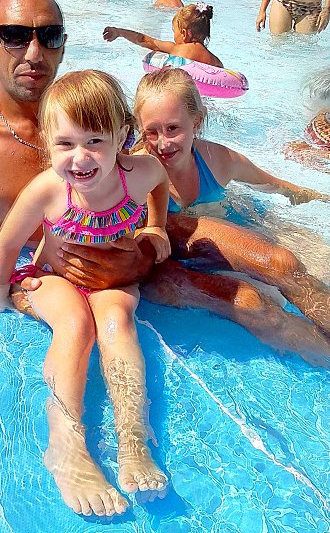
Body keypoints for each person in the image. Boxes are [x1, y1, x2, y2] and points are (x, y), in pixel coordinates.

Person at [0, 0, 330, 415]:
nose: (33, 52)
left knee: (281, 263)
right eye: (14, 35)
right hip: (93, 269)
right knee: (250, 303)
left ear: (63, 44)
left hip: (147, 229)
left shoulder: (87, 105)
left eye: (48, 36)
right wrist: (19, 288)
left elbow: (145, 158)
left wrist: (153, 230)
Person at [0, 69, 170, 515]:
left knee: (117, 321)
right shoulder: (48, 190)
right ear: (47, 141)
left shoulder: (138, 173)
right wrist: (1, 294)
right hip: (54, 276)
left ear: (121, 136)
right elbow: (7, 244)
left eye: (95, 141)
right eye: (65, 143)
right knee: (75, 326)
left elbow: (160, 183)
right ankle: (65, 442)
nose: (80, 158)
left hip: (112, 281)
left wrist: (156, 225)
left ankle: (133, 440)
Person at [131, 67, 330, 363]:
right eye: (152, 131)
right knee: (252, 302)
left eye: (173, 128)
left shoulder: (217, 160)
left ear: (196, 122)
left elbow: (274, 184)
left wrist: (318, 197)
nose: (163, 143)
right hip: (164, 258)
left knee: (286, 266)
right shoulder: (134, 172)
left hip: (213, 232)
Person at [103, 3, 223, 67]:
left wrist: (119, 32)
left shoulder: (176, 49)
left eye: (174, 31)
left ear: (184, 34)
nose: (174, 36)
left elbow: (143, 40)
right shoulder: (216, 62)